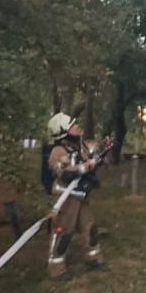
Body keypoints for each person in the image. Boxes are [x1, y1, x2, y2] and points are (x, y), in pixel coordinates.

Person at [43, 112, 104, 279]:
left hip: (81, 195)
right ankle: (56, 268)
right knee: (64, 231)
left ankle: (93, 258)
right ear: (63, 131)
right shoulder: (57, 151)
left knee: (89, 227)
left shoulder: (80, 146)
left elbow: (91, 158)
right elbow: (65, 173)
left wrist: (96, 163)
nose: (77, 127)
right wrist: (86, 167)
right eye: (73, 126)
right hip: (66, 198)